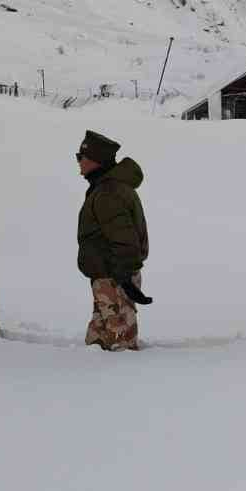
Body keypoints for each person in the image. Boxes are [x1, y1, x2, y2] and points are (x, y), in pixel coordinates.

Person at [76, 130, 151, 351]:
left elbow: (125, 239)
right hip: (107, 278)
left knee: (121, 347)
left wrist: (124, 278)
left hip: (115, 278)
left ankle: (123, 384)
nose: (78, 162)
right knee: (97, 346)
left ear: (95, 161)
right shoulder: (105, 188)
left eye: (81, 157)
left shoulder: (109, 193)